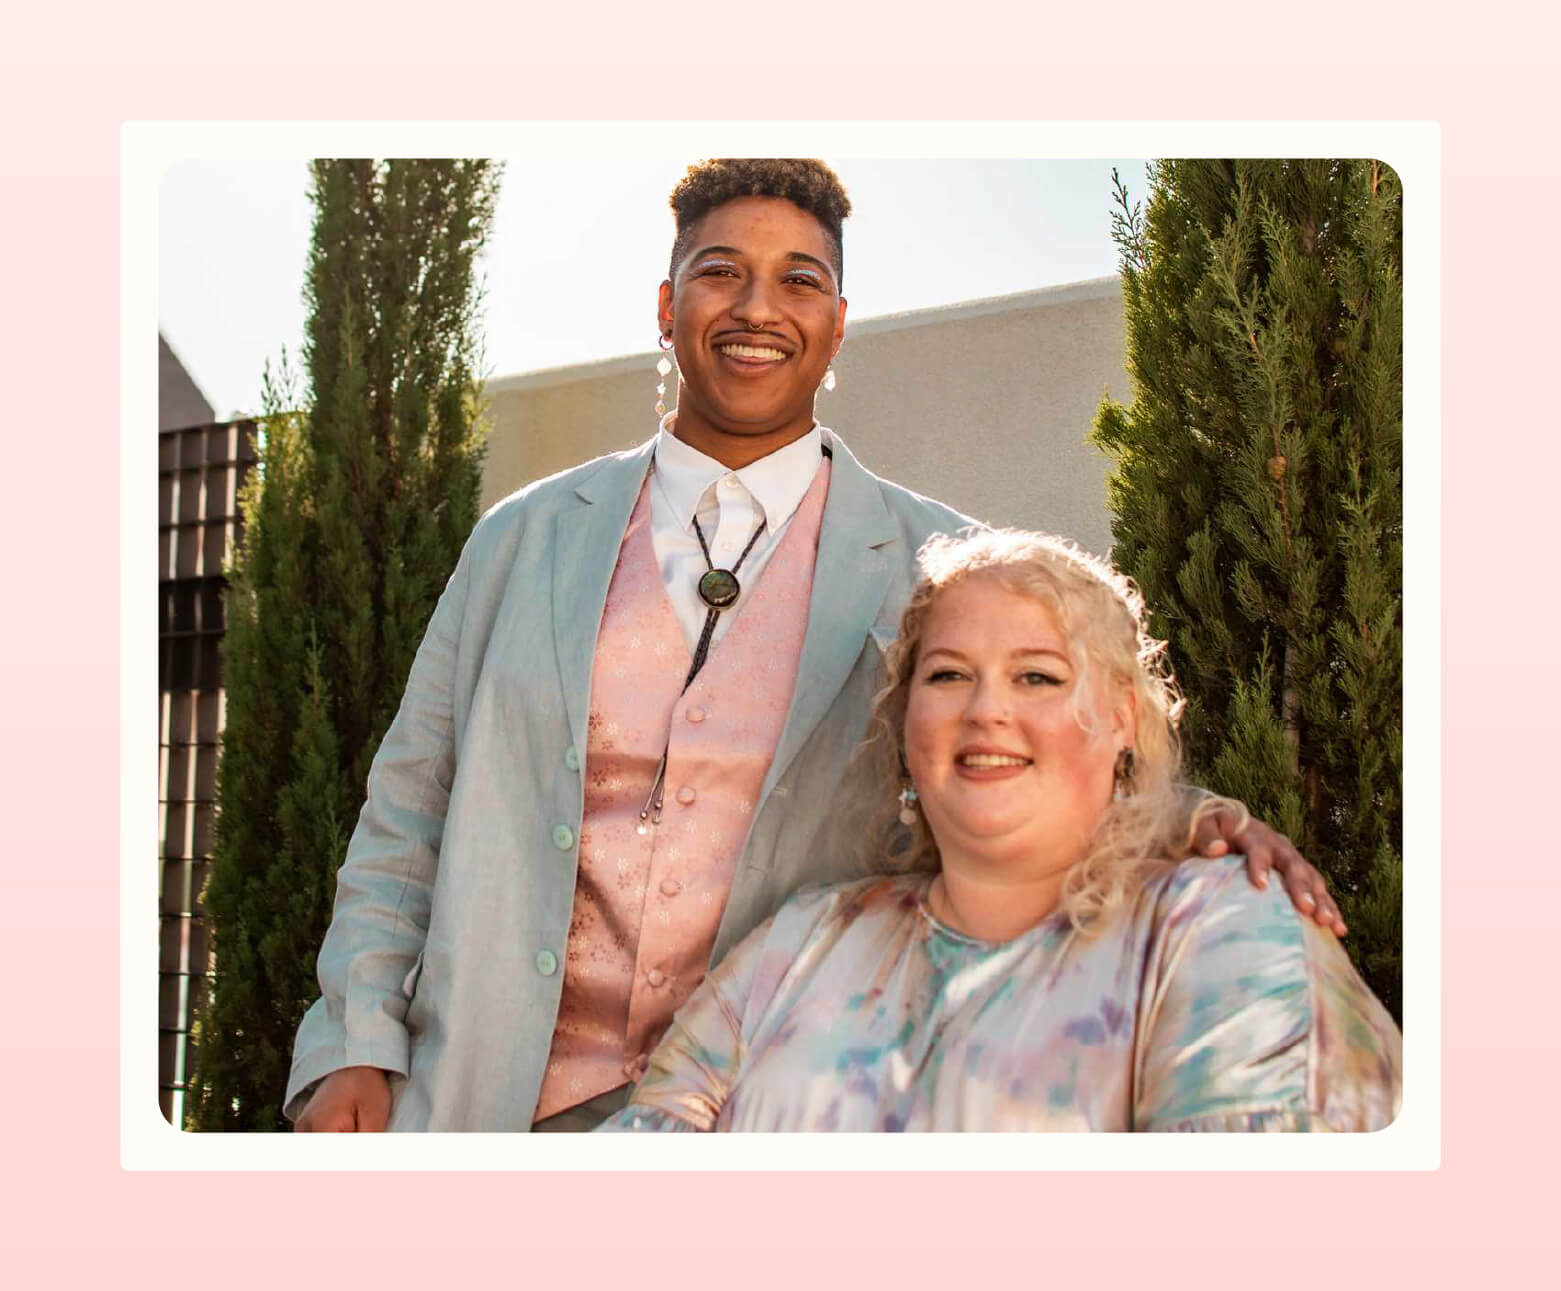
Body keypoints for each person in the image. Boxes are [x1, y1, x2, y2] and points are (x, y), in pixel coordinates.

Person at [287, 159, 1343, 1133]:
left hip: (765, 1108)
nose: (756, 308)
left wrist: (1197, 818)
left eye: (797, 281)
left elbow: (1025, 755)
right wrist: (356, 1040)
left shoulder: (941, 562)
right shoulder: (522, 537)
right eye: (718, 273)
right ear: (667, 308)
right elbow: (409, 806)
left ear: (837, 326)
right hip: (472, 1089)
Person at [598, 529, 1401, 1132]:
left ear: (1122, 716)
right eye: (947, 674)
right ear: (905, 717)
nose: (986, 710)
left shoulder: (1221, 928)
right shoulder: (800, 941)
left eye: (1036, 676)